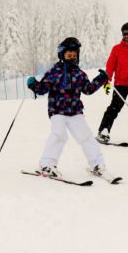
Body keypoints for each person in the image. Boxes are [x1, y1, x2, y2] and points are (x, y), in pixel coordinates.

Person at [26, 37, 110, 178]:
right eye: (68, 55)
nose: (72, 57)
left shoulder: (79, 74)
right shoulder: (54, 72)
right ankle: (47, 165)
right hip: (57, 110)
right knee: (59, 135)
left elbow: (88, 90)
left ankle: (97, 164)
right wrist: (33, 84)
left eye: (74, 55)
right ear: (62, 55)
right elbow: (42, 89)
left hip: (75, 111)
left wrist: (101, 79)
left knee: (86, 136)